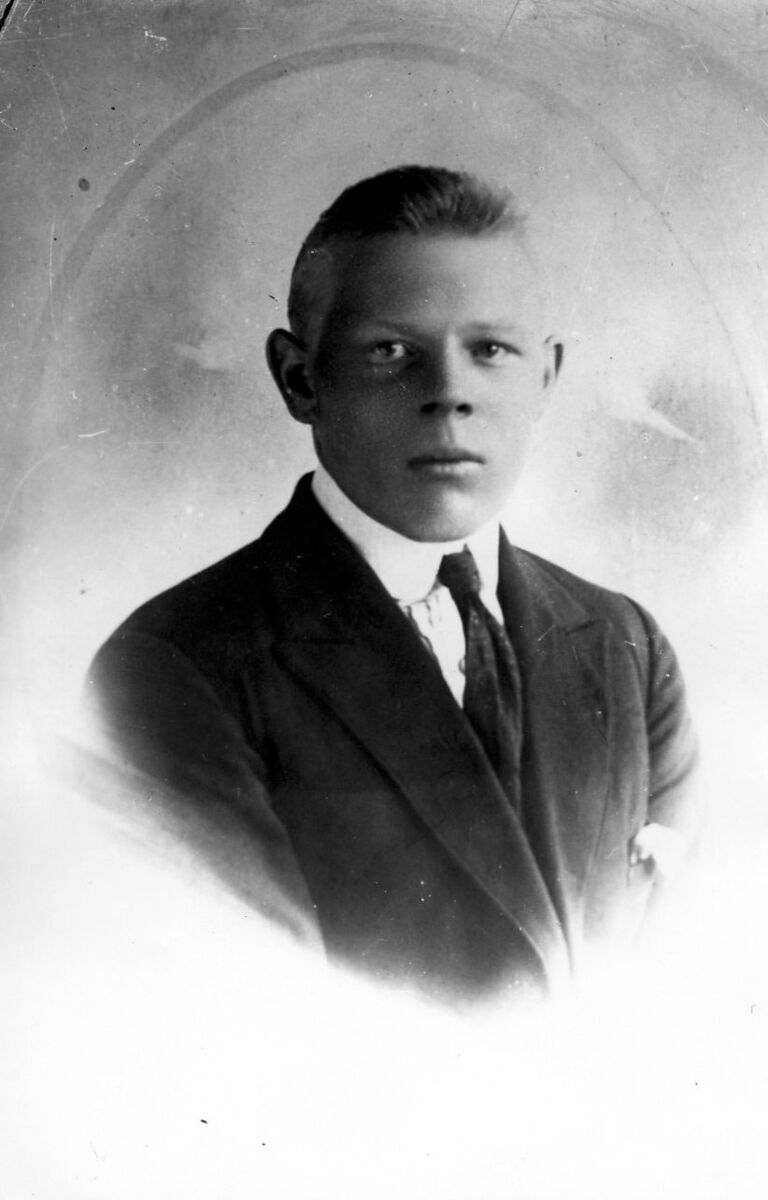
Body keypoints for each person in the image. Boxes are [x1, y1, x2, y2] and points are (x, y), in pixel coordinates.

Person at [86, 165, 698, 1004]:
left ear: (546, 376)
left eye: (490, 350)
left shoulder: (628, 647)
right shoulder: (176, 668)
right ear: (301, 379)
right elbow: (252, 1025)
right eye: (391, 352)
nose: (449, 395)